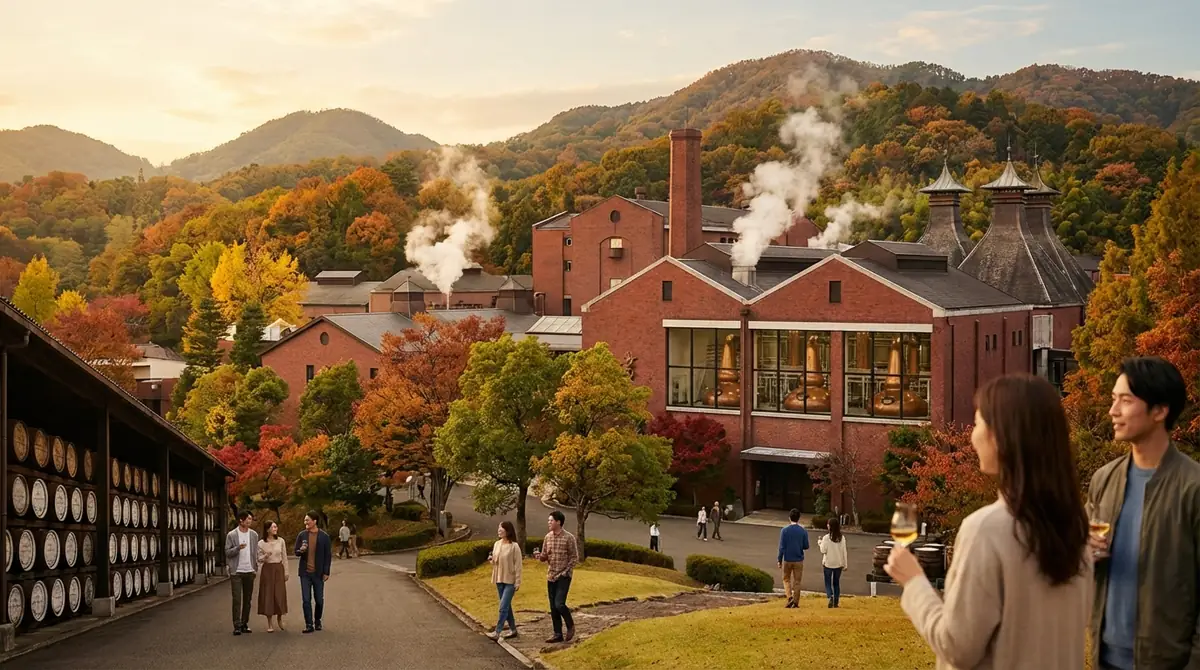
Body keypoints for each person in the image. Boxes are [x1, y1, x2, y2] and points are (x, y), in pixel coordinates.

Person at [886, 373, 1092, 669]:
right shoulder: (1076, 528)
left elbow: (957, 648)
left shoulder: (986, 530)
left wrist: (914, 581)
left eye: (979, 422)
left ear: (1001, 436)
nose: (972, 435)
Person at [1087, 357, 1199, 670]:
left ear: (1160, 411)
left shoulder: (1192, 488)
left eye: (1125, 401)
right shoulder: (1104, 480)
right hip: (1105, 659)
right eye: (1113, 400)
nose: (1113, 411)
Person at [535, 510, 578, 643]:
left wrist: (566, 571)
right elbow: (544, 556)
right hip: (551, 575)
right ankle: (557, 633)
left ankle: (570, 625)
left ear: (558, 522)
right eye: (548, 521)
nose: (549, 523)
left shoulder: (569, 538)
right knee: (553, 607)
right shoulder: (547, 537)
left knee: (559, 604)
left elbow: (574, 557)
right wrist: (540, 557)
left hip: (564, 576)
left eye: (551, 520)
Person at [294, 510, 332, 634]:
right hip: (305, 573)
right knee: (306, 599)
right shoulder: (302, 535)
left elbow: (328, 555)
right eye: (305, 520)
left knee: (319, 600)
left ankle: (317, 620)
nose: (305, 522)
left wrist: (326, 572)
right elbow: (296, 552)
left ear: (314, 521)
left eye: (307, 520)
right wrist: (301, 550)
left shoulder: (324, 536)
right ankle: (309, 624)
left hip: (318, 573)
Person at [225, 510, 259, 635]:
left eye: (251, 519)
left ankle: (245, 623)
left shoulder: (254, 535)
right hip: (236, 571)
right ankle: (237, 625)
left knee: (247, 599)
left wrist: (256, 566)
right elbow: (227, 552)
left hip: (249, 570)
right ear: (241, 520)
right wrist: (238, 548)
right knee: (237, 599)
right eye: (248, 519)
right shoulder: (232, 535)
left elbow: (255, 552)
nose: (250, 521)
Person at [487, 521, 522, 641]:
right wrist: (491, 560)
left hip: (510, 581)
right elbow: (495, 562)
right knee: (506, 606)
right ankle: (513, 630)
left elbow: (518, 566)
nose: (499, 530)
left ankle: (497, 631)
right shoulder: (497, 544)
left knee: (503, 607)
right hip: (499, 579)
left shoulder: (514, 546)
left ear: (507, 531)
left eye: (501, 528)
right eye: (498, 528)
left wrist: (517, 582)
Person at [256, 520, 289, 632]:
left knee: (279, 594)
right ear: (267, 529)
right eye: (273, 527)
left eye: (276, 527)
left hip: (279, 568)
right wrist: (265, 556)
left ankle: (280, 618)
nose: (275, 529)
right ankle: (270, 623)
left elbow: (284, 557)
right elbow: (258, 559)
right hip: (268, 569)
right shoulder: (261, 543)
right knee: (268, 594)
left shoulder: (281, 541)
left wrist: (286, 572)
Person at [777, 508, 809, 608]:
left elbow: (782, 547)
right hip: (798, 559)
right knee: (797, 581)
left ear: (789, 518)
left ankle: (789, 597)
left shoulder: (784, 531)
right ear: (799, 518)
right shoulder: (803, 531)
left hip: (787, 558)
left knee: (786, 579)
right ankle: (795, 601)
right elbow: (806, 546)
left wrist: (779, 559)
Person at [818, 517, 847, 608]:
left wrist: (820, 542)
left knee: (827, 582)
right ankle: (836, 602)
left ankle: (830, 596)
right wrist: (845, 564)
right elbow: (844, 552)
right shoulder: (842, 538)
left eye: (828, 524)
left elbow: (823, 550)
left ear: (830, 527)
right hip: (838, 564)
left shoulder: (826, 538)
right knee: (836, 583)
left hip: (828, 564)